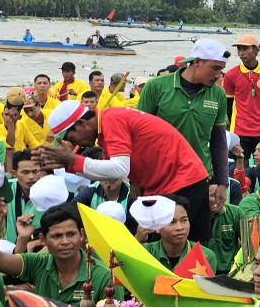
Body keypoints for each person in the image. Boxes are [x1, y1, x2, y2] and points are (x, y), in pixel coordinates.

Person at [35, 100, 213, 242]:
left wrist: (73, 161)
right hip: (167, 182)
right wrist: (70, 165)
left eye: (71, 137)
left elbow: (119, 169)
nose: (75, 144)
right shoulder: (109, 120)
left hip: (183, 181)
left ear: (81, 123)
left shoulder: (111, 121)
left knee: (168, 243)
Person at [136, 40, 233, 192]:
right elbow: (138, 136)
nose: (218, 75)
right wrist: (136, 176)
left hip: (199, 176)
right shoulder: (156, 86)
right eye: (215, 68)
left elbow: (218, 141)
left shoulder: (218, 94)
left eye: (221, 70)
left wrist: (222, 182)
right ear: (197, 62)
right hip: (160, 176)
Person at [222, 34, 260, 164]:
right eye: (239, 49)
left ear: (256, 50)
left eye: (245, 49)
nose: (241, 53)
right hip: (240, 129)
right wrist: (236, 124)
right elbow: (229, 105)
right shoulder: (231, 75)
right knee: (241, 162)